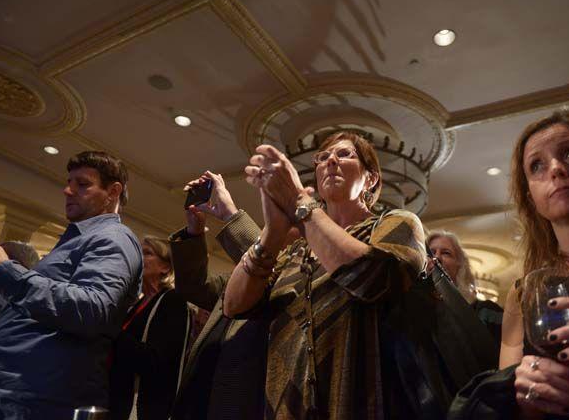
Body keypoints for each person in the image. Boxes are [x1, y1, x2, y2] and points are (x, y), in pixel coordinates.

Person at [449, 110, 569, 419]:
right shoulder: (525, 294)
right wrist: (526, 396)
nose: (555, 168)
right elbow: (519, 401)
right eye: (536, 165)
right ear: (532, 199)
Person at [223, 131, 429, 418]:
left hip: (365, 405)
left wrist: (298, 201)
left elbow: (372, 278)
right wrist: (273, 232)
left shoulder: (396, 223)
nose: (330, 160)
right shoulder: (296, 251)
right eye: (322, 158)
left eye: (344, 155)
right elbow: (234, 305)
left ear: (371, 180)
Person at [0, 151, 143, 420]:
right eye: (69, 182)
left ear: (113, 191)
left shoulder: (114, 238)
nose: (68, 190)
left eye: (82, 184)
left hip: (35, 400)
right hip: (9, 393)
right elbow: (29, 318)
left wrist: (4, 270)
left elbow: (92, 309)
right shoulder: (78, 239)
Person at [170, 171, 265, 419]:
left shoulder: (294, 275)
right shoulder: (234, 281)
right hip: (198, 402)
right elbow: (193, 286)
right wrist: (194, 232)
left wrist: (231, 214)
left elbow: (274, 271)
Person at [109, 236, 191, 420]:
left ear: (165, 267)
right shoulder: (136, 304)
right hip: (117, 403)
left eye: (147, 253)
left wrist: (112, 330)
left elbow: (156, 362)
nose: (138, 256)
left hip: (143, 409)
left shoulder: (172, 301)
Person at [427, 230, 503, 344]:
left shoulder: (487, 311)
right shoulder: (416, 314)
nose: (436, 257)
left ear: (460, 265)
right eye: (431, 253)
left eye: (446, 253)